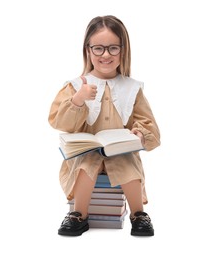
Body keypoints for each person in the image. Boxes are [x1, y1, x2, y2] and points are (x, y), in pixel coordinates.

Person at [48, 15, 160, 236]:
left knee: (127, 162)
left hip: (120, 150)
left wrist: (139, 132)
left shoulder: (132, 88)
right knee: (85, 164)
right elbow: (58, 121)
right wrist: (78, 100)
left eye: (113, 48)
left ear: (123, 51)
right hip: (87, 151)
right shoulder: (76, 86)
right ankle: (78, 214)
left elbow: (149, 124)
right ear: (88, 50)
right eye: (98, 48)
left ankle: (138, 214)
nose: (105, 55)